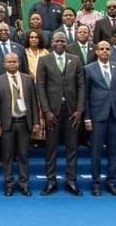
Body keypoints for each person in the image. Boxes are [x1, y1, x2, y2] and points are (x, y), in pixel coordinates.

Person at [36, 31, 85, 196]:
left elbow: (81, 86)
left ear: (66, 42)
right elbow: (40, 86)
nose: (60, 43)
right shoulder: (44, 60)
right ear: (52, 42)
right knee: (51, 148)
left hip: (72, 112)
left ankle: (71, 181)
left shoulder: (75, 60)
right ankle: (51, 181)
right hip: (52, 112)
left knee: (72, 147)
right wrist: (46, 110)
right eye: (57, 41)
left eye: (63, 41)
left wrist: (79, 109)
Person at [84, 41, 116, 196]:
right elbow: (85, 96)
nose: (104, 51)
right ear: (96, 52)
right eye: (101, 49)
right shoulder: (88, 69)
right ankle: (96, 183)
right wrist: (87, 118)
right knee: (96, 152)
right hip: (97, 116)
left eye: (107, 49)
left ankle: (111, 182)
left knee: (114, 151)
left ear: (111, 51)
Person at [0, 52, 39, 196]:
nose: (12, 64)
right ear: (4, 64)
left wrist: (36, 122)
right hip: (8, 124)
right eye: (9, 62)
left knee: (24, 155)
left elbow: (34, 102)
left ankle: (24, 184)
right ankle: (9, 184)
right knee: (7, 156)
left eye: (14, 61)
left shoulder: (28, 80)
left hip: (24, 122)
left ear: (19, 63)